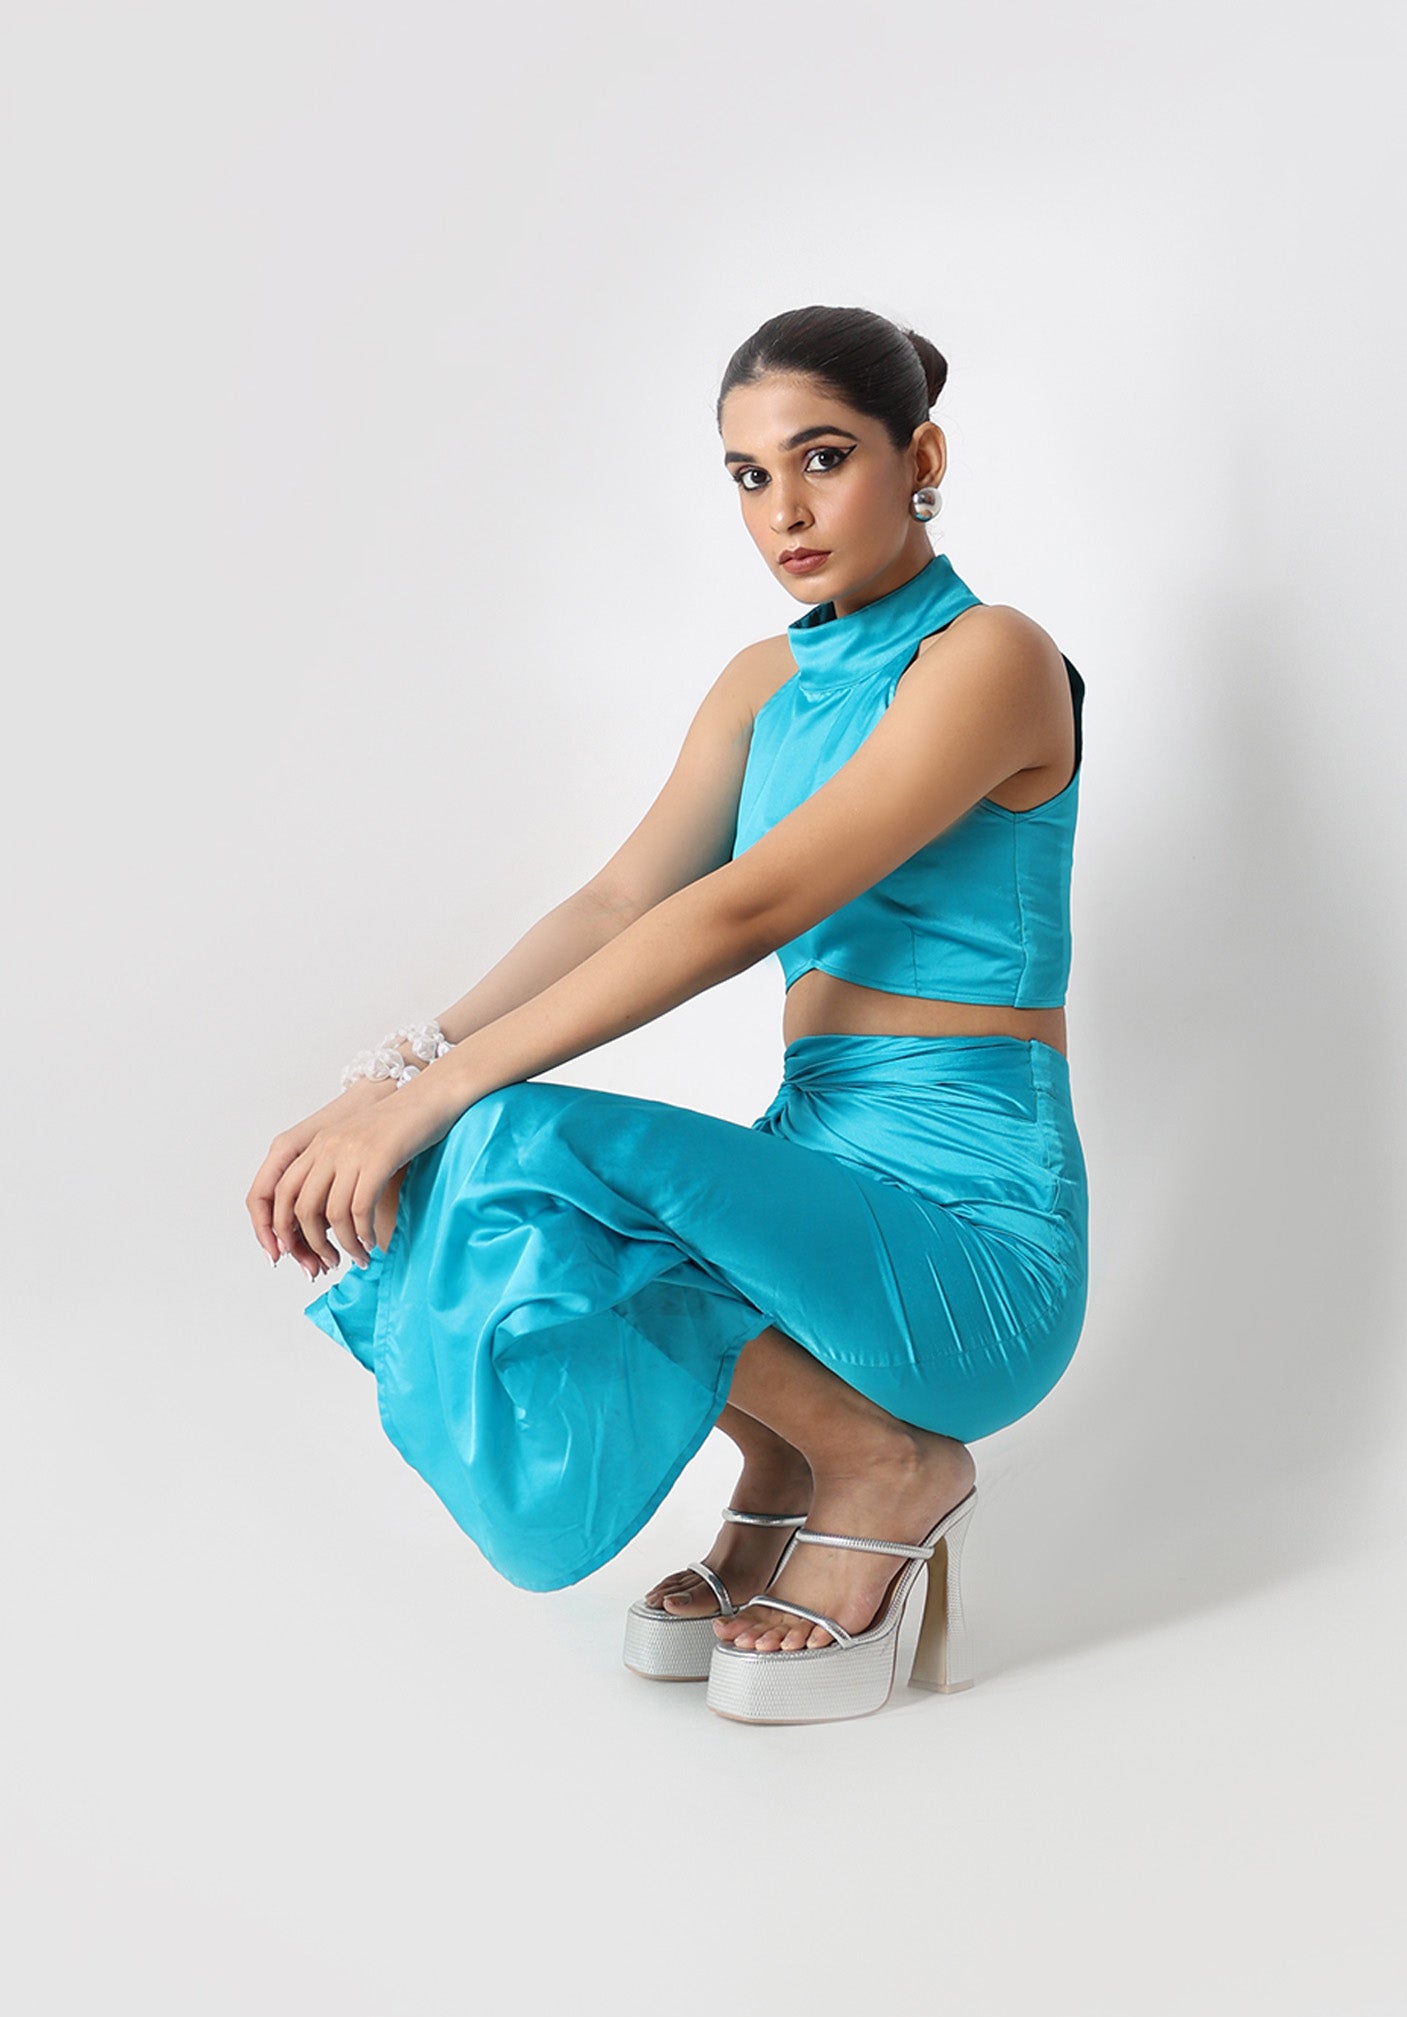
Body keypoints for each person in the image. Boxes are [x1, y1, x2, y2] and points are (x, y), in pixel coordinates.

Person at [246, 304, 1089, 1725]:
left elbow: (745, 907)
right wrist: (391, 1077)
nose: (785, 511)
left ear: (922, 457)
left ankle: (886, 1462)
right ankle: (791, 1455)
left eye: (823, 458)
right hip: (815, 1177)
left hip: (970, 1230)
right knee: (493, 1150)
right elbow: (618, 901)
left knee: (510, 1133)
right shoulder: (764, 682)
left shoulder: (991, 657)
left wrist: (439, 1099)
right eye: (750, 476)